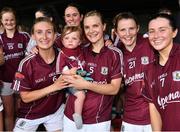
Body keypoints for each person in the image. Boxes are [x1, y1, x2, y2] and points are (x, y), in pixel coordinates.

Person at [63, 10, 123, 131]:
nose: (91, 31)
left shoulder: (115, 54)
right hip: (71, 117)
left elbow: (114, 89)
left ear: (104, 26)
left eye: (95, 26)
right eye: (87, 27)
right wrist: (35, 48)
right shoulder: (78, 50)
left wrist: (86, 85)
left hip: (98, 120)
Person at [12, 17, 68, 132]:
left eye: (49, 32)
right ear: (33, 36)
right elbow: (25, 97)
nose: (44, 37)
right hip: (31, 114)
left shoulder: (64, 56)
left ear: (55, 35)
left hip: (55, 112)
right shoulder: (26, 63)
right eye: (39, 32)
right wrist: (54, 86)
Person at [113, 12, 154, 131]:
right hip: (131, 117)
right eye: (122, 30)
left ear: (138, 28)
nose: (127, 34)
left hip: (154, 115)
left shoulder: (151, 43)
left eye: (131, 28)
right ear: (116, 32)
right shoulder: (115, 54)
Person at [142, 13, 180, 131]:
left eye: (162, 30)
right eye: (151, 31)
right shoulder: (149, 70)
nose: (156, 36)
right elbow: (153, 108)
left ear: (174, 32)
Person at [0, 7, 30, 131]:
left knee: (20, 112)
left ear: (15, 20)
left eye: (11, 20)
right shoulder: (0, 39)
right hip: (5, 81)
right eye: (6, 20)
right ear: (1, 22)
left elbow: (32, 57)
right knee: (9, 113)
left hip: (21, 81)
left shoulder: (24, 36)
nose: (9, 22)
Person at [56, 25, 92, 129]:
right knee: (81, 95)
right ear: (62, 41)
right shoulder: (62, 53)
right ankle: (77, 116)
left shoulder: (81, 50)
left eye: (74, 38)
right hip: (70, 79)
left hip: (82, 77)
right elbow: (59, 69)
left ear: (80, 41)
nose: (70, 41)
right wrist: (69, 72)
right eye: (67, 38)